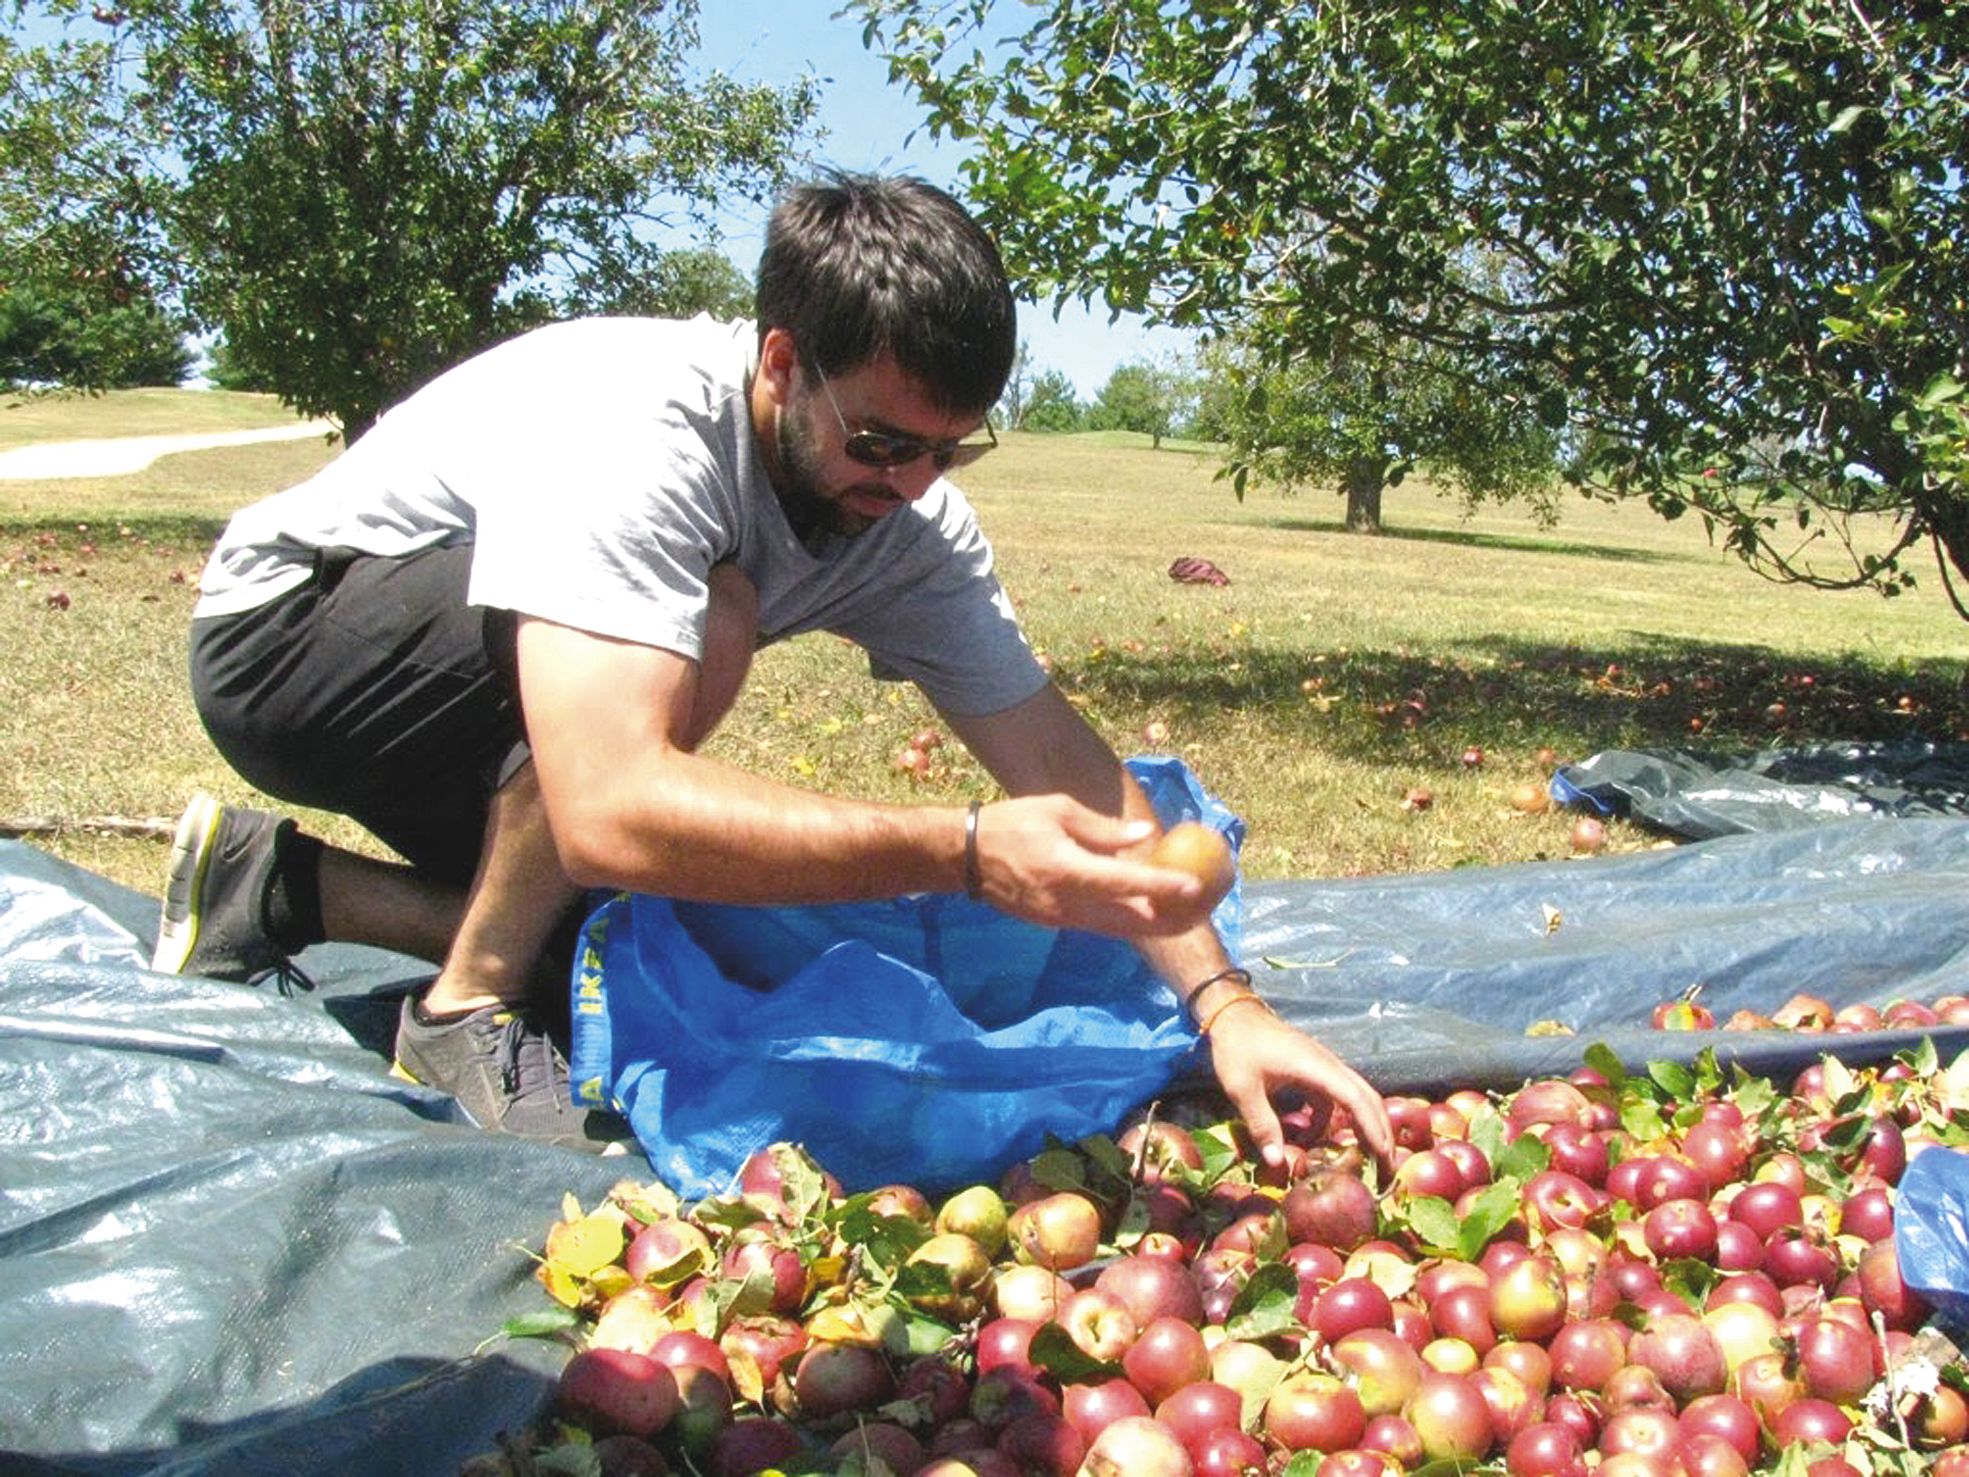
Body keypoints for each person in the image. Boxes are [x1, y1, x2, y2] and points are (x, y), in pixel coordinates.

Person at [153, 170, 1394, 1167]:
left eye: (950, 451)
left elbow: (1058, 760)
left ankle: (282, 887)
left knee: (684, 946)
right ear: (782, 364)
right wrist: (966, 851)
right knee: (714, 621)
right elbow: (607, 809)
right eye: (882, 441)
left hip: (490, 697)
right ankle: (461, 1009)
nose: (911, 484)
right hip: (292, 645)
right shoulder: (641, 430)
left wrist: (1225, 1003)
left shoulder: (908, 519)